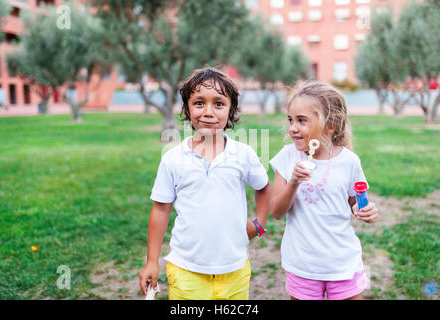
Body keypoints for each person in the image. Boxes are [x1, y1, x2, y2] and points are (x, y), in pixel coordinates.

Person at [139, 67, 271, 300]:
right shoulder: (173, 158)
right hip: (186, 270)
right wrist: (151, 261)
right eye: (199, 103)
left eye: (218, 104)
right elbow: (160, 209)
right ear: (187, 109)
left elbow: (263, 187)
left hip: (235, 270)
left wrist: (259, 224)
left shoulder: (244, 154)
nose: (208, 111)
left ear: (231, 110)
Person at [269, 81, 379, 300]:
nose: (293, 128)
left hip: (343, 262)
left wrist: (365, 210)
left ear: (332, 124)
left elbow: (356, 202)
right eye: (291, 120)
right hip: (303, 264)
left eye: (302, 120)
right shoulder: (287, 157)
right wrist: (293, 182)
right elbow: (277, 211)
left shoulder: (349, 161)